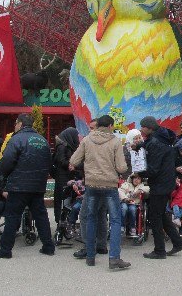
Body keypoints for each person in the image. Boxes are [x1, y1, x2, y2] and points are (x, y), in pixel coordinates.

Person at [0, 113, 55, 259]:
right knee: (41, 216)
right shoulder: (43, 140)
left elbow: (6, 162)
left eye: (16, 123)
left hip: (19, 185)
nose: (15, 126)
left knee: (12, 217)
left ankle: (5, 250)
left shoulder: (16, 139)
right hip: (38, 185)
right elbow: (49, 163)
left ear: (20, 124)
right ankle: (48, 246)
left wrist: (4, 176)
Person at [68, 115, 130, 269]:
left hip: (92, 185)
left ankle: (90, 256)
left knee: (91, 218)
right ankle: (114, 258)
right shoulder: (115, 141)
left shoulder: (87, 140)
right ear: (110, 126)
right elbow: (122, 168)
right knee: (115, 220)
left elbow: (74, 161)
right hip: (109, 185)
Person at [137, 116, 182, 259]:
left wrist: (139, 171)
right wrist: (139, 147)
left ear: (149, 127)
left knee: (154, 216)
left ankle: (159, 250)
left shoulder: (155, 142)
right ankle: (178, 242)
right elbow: (149, 147)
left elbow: (153, 169)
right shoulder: (162, 138)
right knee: (161, 214)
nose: (141, 129)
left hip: (160, 184)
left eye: (143, 127)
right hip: (166, 182)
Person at [71, 118, 110, 260]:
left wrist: (75, 164)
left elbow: (77, 160)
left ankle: (88, 247)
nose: (90, 131)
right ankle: (101, 245)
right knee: (100, 215)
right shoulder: (110, 142)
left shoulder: (90, 142)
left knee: (85, 215)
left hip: (94, 183)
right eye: (90, 128)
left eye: (93, 128)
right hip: (107, 184)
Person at [52, 127, 80, 225]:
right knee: (63, 200)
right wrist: (72, 164)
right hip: (62, 177)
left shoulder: (68, 145)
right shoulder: (62, 146)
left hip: (69, 176)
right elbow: (61, 160)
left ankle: (66, 221)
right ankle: (61, 222)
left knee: (69, 200)